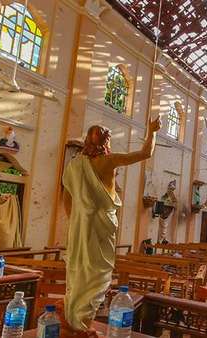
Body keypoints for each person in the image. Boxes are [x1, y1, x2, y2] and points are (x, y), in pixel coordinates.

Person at [62, 116, 161, 335]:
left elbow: (66, 197)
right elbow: (145, 153)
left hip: (81, 225)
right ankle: (81, 324)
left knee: (79, 269)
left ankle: (74, 319)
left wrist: (77, 220)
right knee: (99, 272)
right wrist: (152, 131)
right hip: (102, 223)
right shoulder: (109, 161)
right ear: (105, 142)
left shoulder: (75, 165)